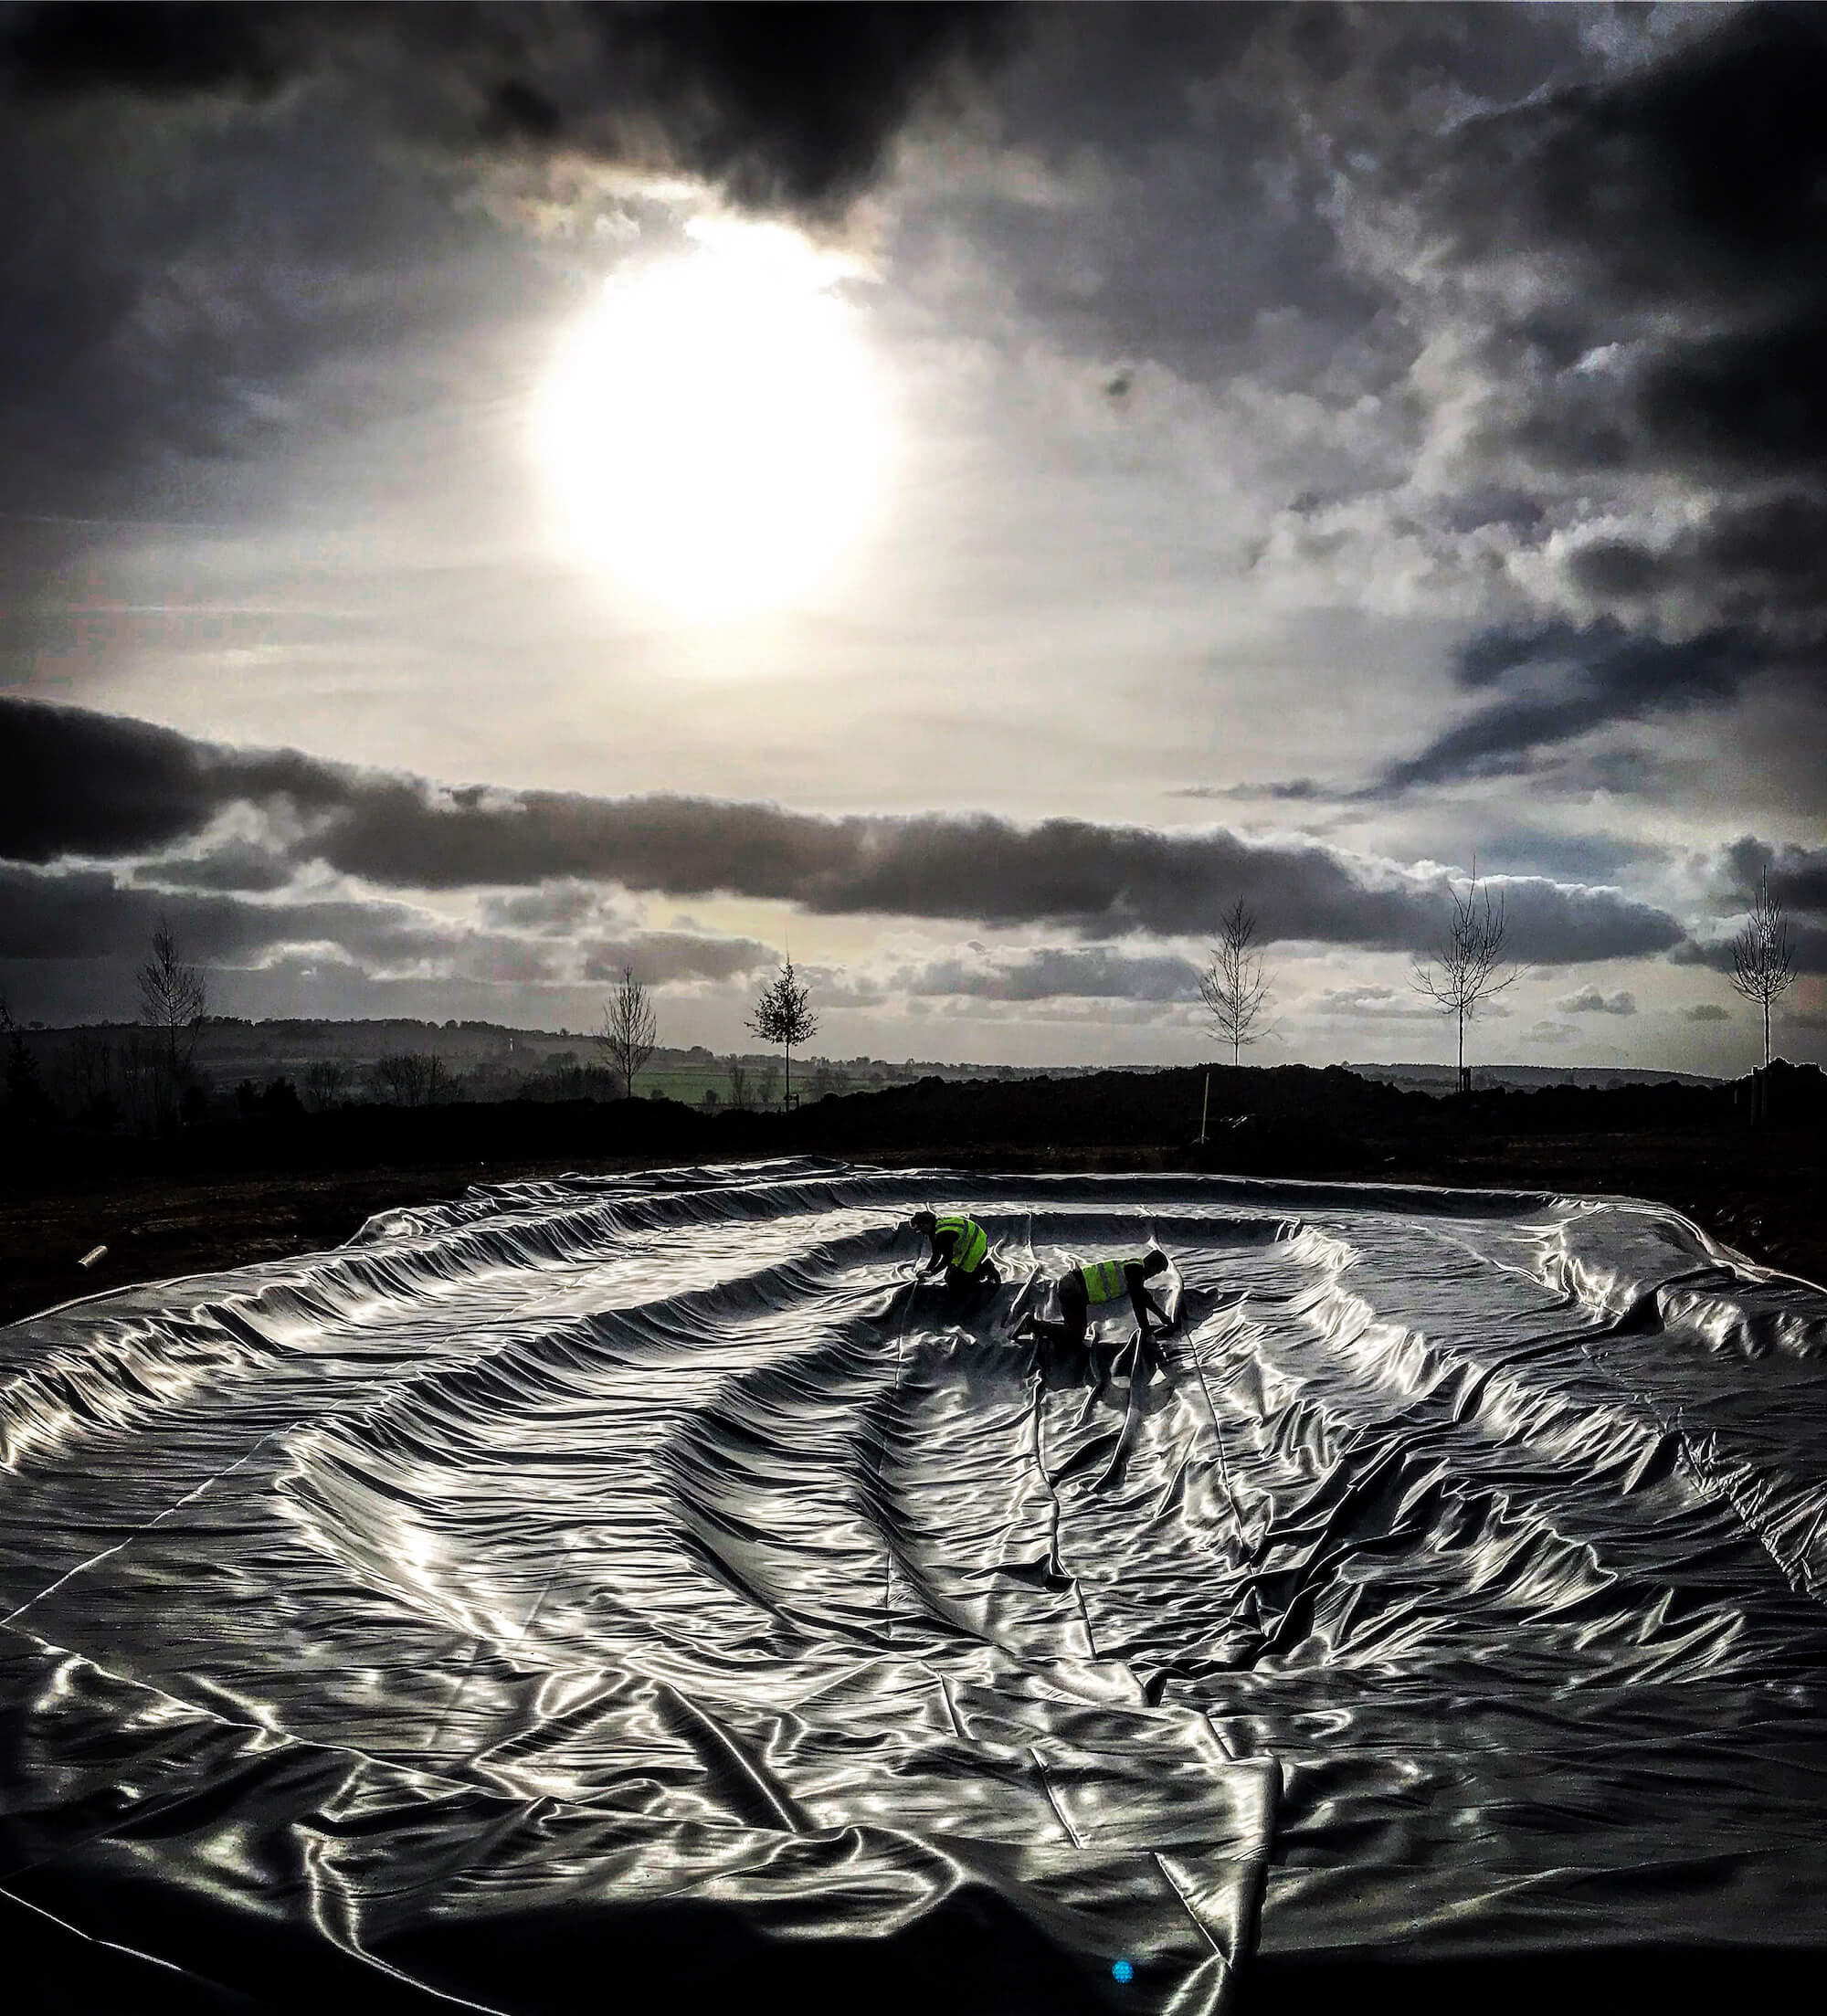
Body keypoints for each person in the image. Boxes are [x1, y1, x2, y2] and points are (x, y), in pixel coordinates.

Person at [1019, 1249, 1173, 1377]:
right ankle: (1031, 1324)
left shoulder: (1135, 1267)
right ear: (1153, 1267)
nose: (1154, 1275)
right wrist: (1146, 1331)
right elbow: (1138, 1301)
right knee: (1075, 1335)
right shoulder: (1136, 1271)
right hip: (1074, 1289)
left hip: (1072, 1285)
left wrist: (1162, 1317)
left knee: (1075, 1331)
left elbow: (1143, 1297)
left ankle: (1038, 1327)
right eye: (1157, 1272)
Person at [908, 1209, 1002, 1296]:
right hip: (966, 1245)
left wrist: (933, 1273)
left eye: (920, 1228)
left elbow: (947, 1258)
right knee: (949, 1276)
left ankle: (986, 1268)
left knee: (955, 1282)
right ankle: (977, 1268)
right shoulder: (934, 1230)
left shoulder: (942, 1234)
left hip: (976, 1246)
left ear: (926, 1224)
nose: (920, 1232)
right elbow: (936, 1254)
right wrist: (927, 1270)